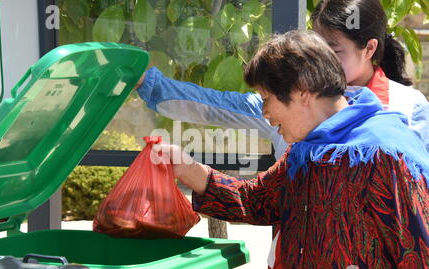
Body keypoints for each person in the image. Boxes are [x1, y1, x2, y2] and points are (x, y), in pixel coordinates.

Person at [152, 30, 429, 269]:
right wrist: (185, 168)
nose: (266, 116)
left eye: (266, 100)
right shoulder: (306, 150)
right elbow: (255, 200)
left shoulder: (385, 155)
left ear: (301, 92)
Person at [136, 0, 429, 156]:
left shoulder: (406, 108)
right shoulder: (282, 98)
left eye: (334, 50)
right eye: (316, 45)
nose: (321, 58)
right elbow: (213, 104)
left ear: (370, 48)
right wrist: (145, 81)